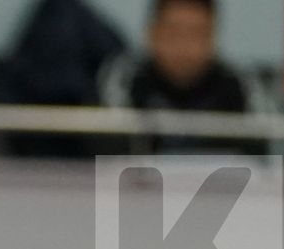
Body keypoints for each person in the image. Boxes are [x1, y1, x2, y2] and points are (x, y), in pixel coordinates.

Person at [98, 0, 271, 154]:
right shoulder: (125, 79)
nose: (184, 47)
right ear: (152, 33)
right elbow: (111, 150)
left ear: (213, 37)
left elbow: (264, 149)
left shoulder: (239, 85)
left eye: (197, 34)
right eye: (174, 33)